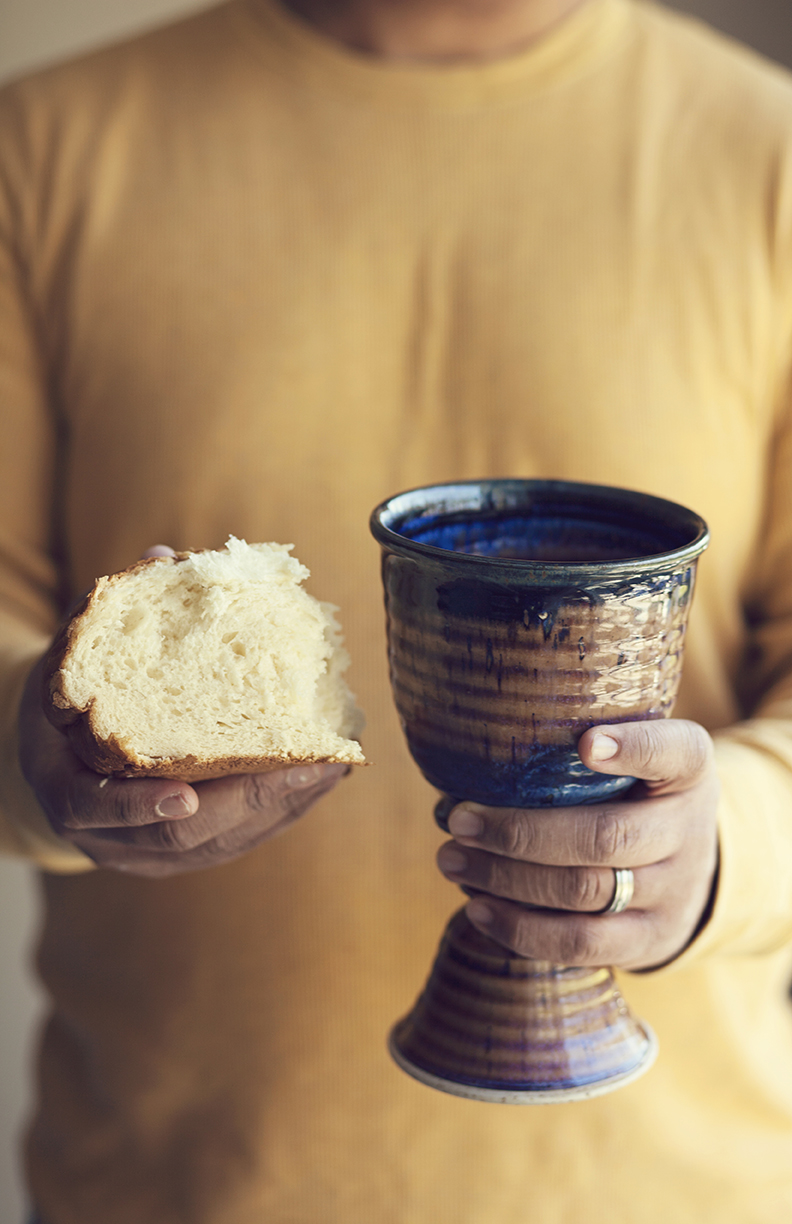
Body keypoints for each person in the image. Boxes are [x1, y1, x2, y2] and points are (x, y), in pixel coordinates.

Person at [1, 0, 792, 1218]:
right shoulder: (38, 152)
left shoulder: (770, 154)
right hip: (173, 1188)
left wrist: (723, 844)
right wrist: (42, 754)